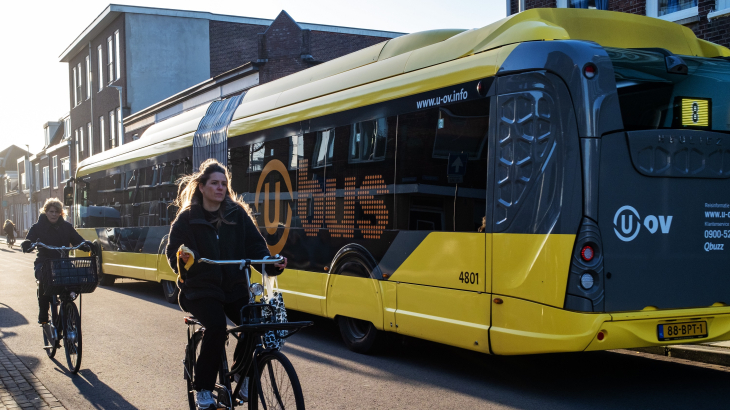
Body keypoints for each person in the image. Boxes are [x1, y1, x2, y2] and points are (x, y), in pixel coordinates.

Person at [165, 159, 287, 410]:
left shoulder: (237, 214)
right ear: (201, 186)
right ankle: (203, 390)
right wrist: (184, 260)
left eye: (224, 184)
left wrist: (272, 264)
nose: (220, 188)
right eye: (214, 183)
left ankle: (241, 376)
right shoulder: (188, 218)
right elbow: (173, 253)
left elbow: (256, 248)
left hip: (233, 288)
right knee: (217, 327)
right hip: (199, 289)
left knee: (254, 324)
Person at [20, 199, 89, 325]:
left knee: (73, 280)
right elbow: (29, 239)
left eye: (57, 212)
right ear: (45, 212)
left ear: (61, 213)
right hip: (44, 262)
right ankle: (43, 314)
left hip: (63, 263)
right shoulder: (37, 227)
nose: (54, 214)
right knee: (44, 280)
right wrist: (27, 244)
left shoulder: (67, 227)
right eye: (51, 211)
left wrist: (86, 245)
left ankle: (67, 306)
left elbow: (78, 240)